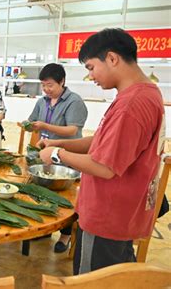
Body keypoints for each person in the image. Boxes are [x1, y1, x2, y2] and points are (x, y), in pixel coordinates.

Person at [38, 28, 165, 274]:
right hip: (120, 214)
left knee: (93, 280)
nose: (90, 76)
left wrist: (56, 156)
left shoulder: (132, 105)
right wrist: (59, 144)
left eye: (90, 67)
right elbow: (101, 142)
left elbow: (104, 167)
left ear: (112, 58)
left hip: (107, 218)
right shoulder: (142, 94)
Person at [27, 63, 88, 253]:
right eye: (43, 85)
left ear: (62, 82)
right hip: (46, 155)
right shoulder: (42, 101)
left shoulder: (74, 101)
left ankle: (65, 235)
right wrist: (30, 127)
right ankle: (46, 229)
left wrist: (45, 126)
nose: (46, 89)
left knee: (66, 198)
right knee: (44, 192)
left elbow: (72, 129)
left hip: (68, 156)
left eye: (50, 85)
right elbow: (33, 121)